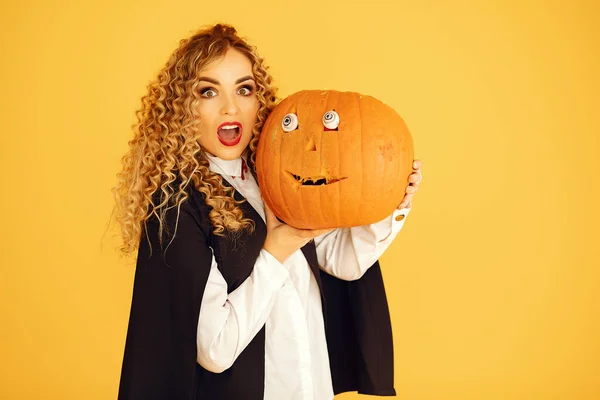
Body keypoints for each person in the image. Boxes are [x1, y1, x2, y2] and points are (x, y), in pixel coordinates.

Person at [114, 23, 423, 400]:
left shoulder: (276, 178)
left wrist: (391, 201)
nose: (231, 107)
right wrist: (275, 252)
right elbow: (215, 350)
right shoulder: (178, 206)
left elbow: (342, 261)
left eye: (244, 89)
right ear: (181, 108)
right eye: (208, 91)